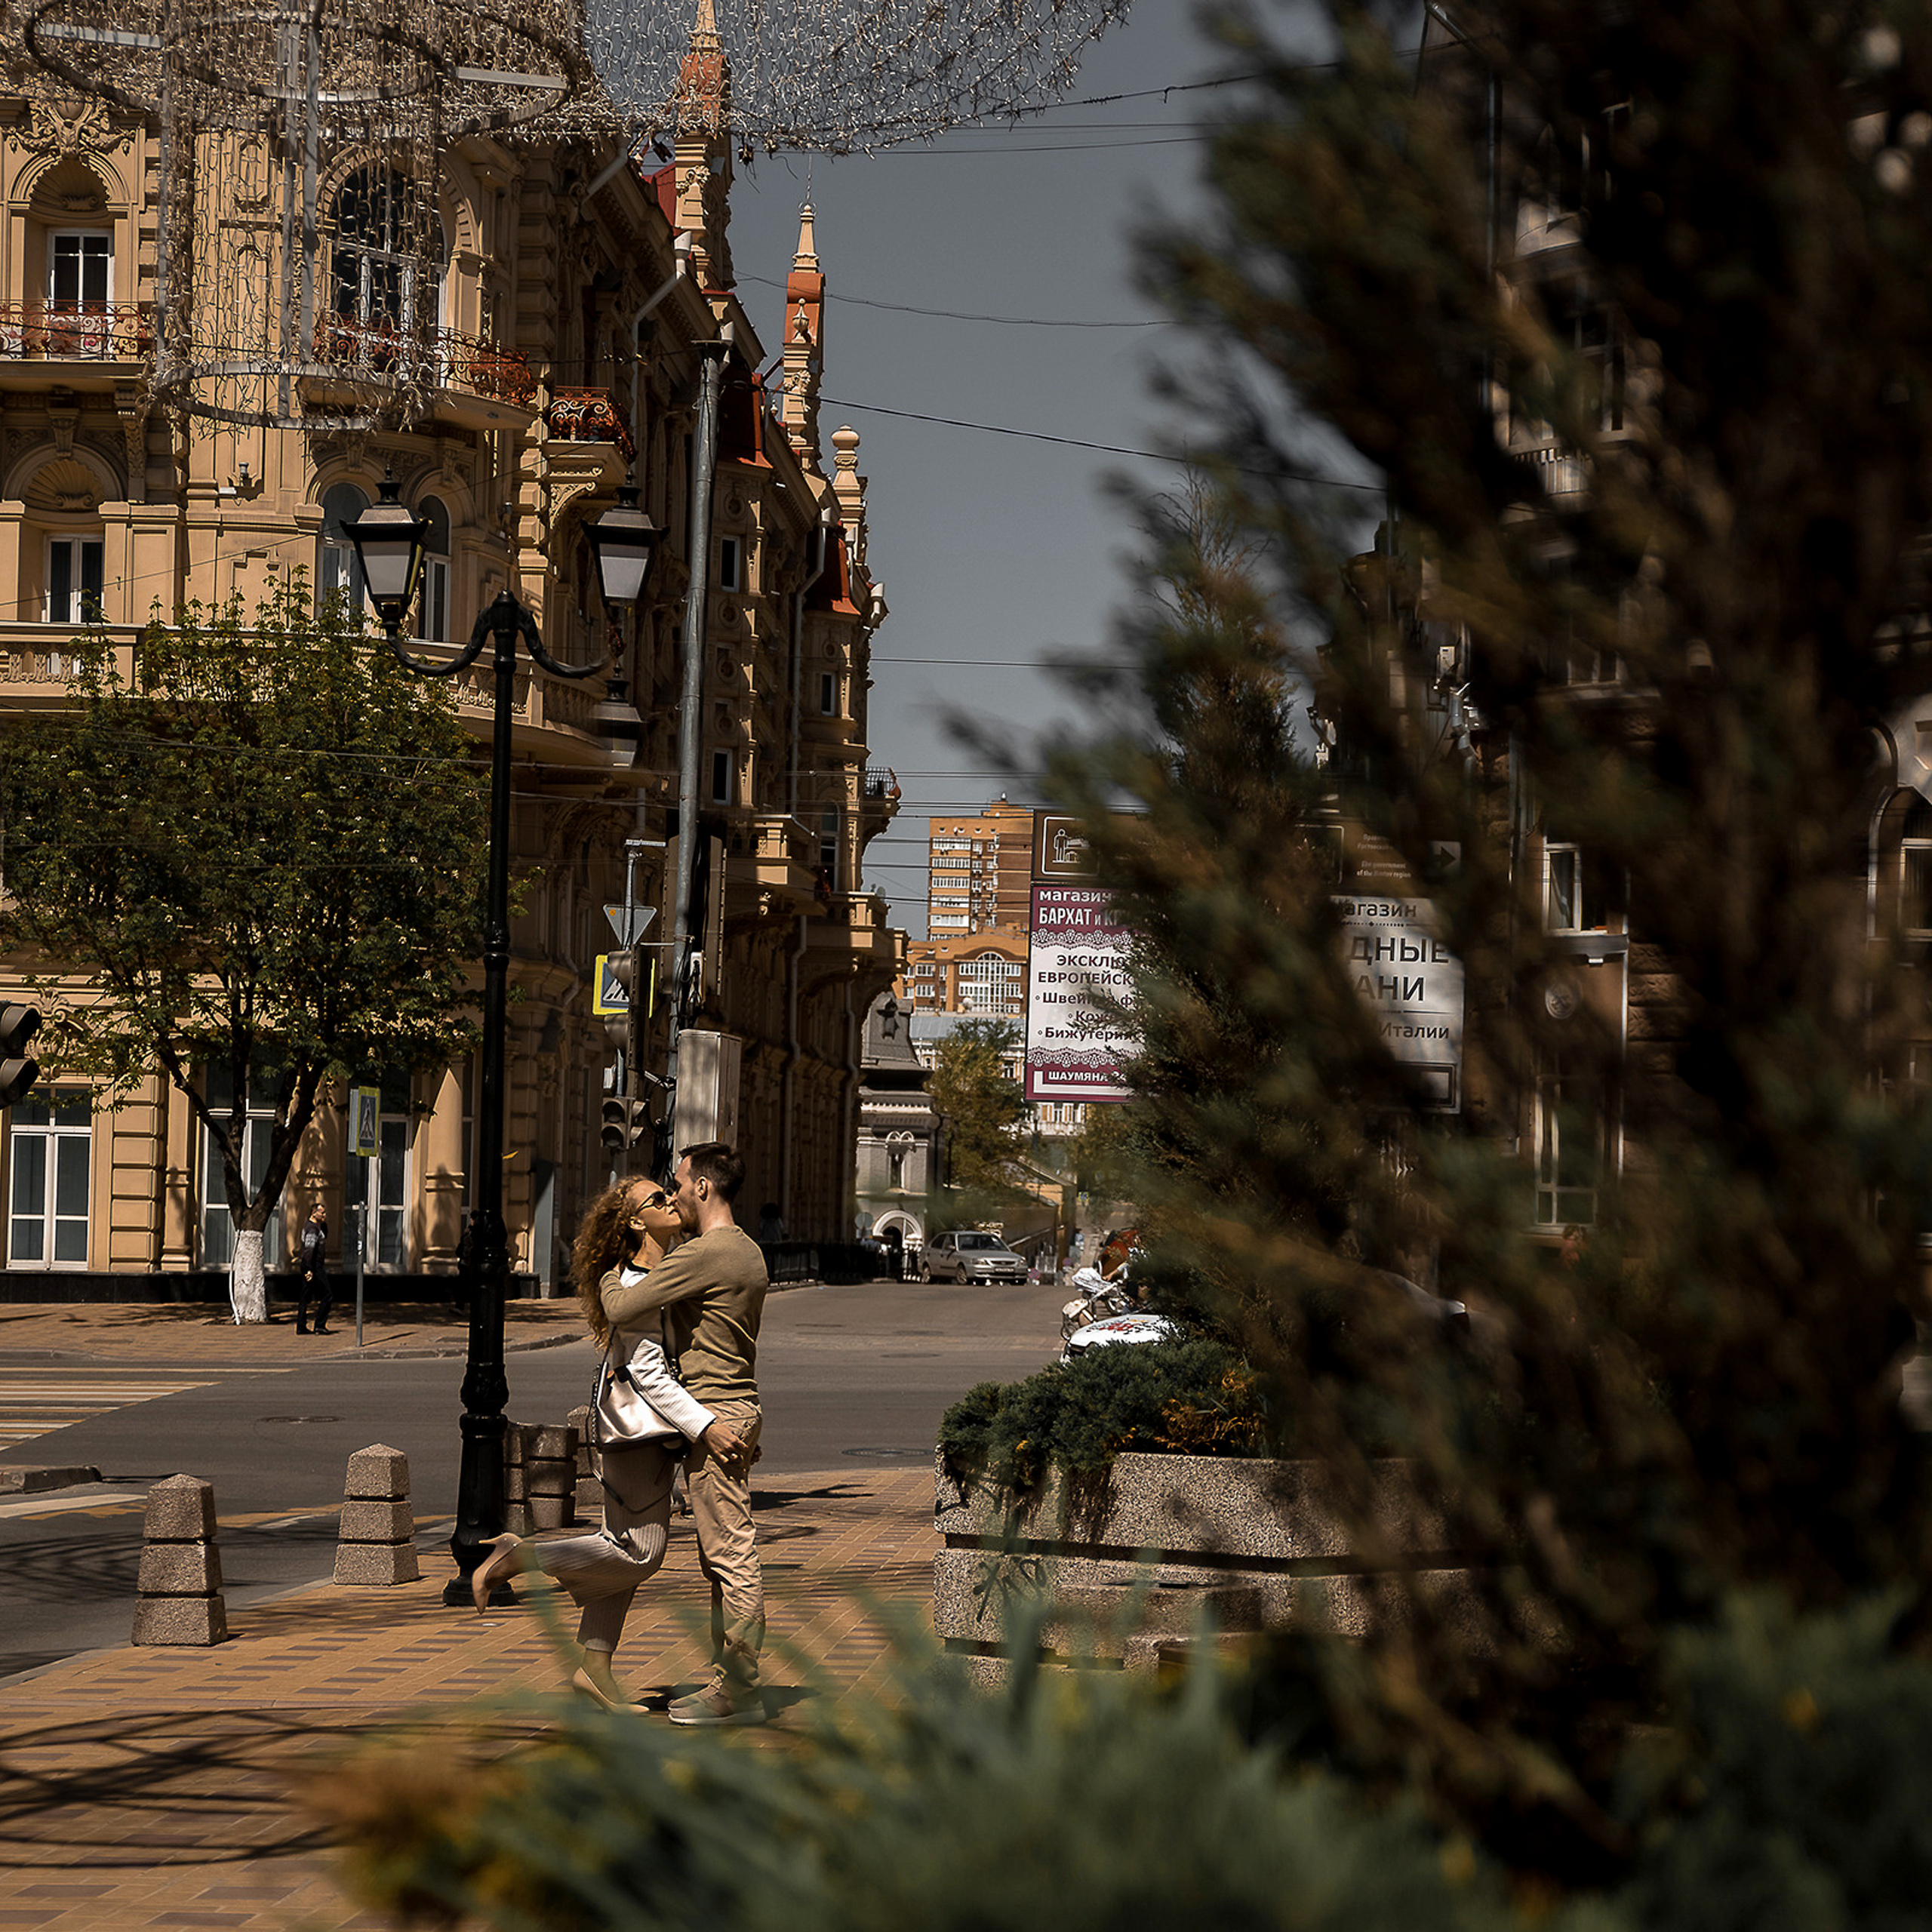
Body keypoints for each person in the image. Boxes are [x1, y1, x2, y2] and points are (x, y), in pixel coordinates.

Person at [469, 1177, 750, 1712]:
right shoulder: (634, 1281)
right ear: (636, 1223)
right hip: (639, 1432)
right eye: (657, 1200)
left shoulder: (661, 1271)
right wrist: (707, 1426)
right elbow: (651, 1373)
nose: (671, 1201)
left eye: (671, 1193)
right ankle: (519, 1556)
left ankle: (595, 1671)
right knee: (640, 1554)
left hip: (646, 1432)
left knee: (619, 1554)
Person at [601, 1140, 771, 1726]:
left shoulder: (704, 1254)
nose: (673, 1195)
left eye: (677, 1184)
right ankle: (731, 1680)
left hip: (718, 1415)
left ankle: (739, 1689)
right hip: (737, 1406)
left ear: (703, 1186)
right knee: (723, 1557)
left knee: (731, 1556)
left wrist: (605, 1277)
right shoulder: (748, 1250)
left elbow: (624, 1308)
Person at [296, 1201, 331, 1335]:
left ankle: (301, 1326)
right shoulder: (312, 1229)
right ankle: (320, 1325)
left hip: (309, 1265)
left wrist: (323, 1224)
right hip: (313, 1266)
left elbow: (324, 1236)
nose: (324, 1215)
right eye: (322, 1213)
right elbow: (309, 1250)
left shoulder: (316, 1227)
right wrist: (309, 1269)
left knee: (306, 1296)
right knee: (327, 1294)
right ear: (313, 1213)